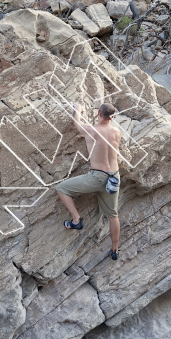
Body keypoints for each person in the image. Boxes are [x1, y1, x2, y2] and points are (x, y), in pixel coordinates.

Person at [55, 102, 122, 260]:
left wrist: (78, 110)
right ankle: (115, 249)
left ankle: (76, 220)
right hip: (114, 178)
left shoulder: (92, 130)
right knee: (113, 215)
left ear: (99, 112)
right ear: (112, 117)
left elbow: (77, 124)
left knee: (61, 188)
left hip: (97, 177)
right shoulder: (117, 132)